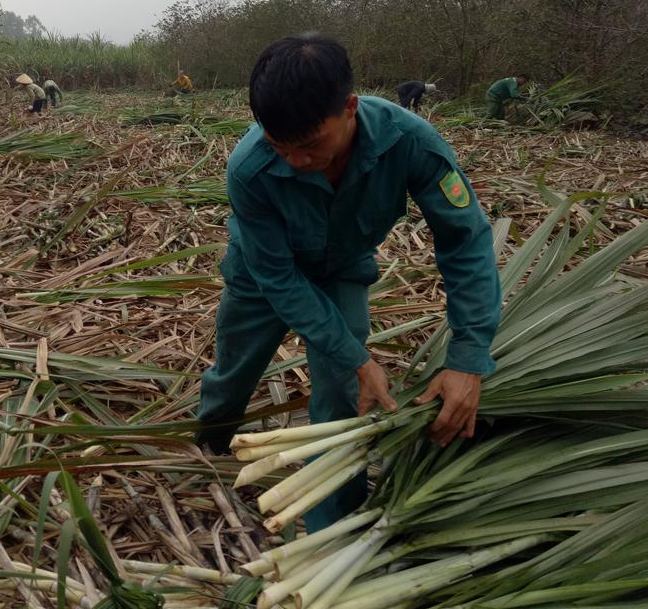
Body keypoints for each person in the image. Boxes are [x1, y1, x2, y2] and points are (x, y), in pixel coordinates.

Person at [195, 35, 501, 533]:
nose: (295, 161)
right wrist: (358, 356)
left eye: (311, 145)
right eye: (280, 147)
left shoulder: (411, 143)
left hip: (341, 270)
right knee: (233, 371)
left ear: (350, 108)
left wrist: (469, 355)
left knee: (342, 395)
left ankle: (333, 526)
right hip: (260, 275)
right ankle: (208, 447)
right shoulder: (249, 168)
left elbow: (464, 242)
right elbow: (277, 275)